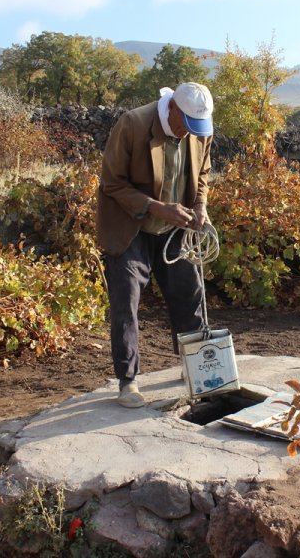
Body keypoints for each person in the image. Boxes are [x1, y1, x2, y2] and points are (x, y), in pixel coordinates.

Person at [96, 82, 214, 408]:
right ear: (172, 107)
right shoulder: (133, 124)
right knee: (127, 300)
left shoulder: (199, 129)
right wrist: (157, 207)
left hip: (176, 229)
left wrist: (200, 206)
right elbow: (111, 182)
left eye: (196, 129)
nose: (190, 133)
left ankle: (195, 368)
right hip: (131, 227)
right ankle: (128, 381)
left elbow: (202, 171)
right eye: (185, 125)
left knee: (190, 294)